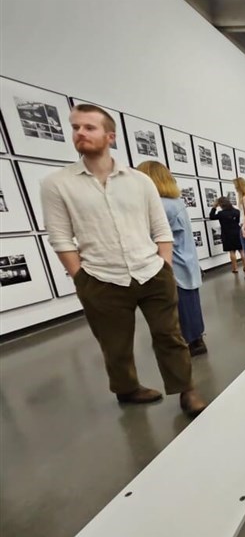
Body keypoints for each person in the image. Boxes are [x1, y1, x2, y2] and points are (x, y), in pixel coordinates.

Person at [40, 103, 206, 417]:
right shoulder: (57, 184)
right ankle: (127, 388)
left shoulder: (139, 182)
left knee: (170, 335)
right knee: (114, 344)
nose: (80, 133)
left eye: (89, 127)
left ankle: (187, 390)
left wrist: (165, 267)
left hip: (151, 271)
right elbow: (61, 237)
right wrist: (81, 278)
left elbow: (161, 229)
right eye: (75, 127)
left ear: (110, 136)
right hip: (101, 277)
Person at [137, 161, 208, 357]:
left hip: (173, 264)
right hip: (186, 261)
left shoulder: (160, 205)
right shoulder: (176, 202)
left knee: (178, 308)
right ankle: (196, 340)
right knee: (191, 304)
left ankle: (188, 343)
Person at [209, 197, 245, 274]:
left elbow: (211, 216)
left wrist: (214, 207)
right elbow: (238, 221)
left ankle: (235, 268)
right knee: (241, 250)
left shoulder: (221, 214)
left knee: (232, 251)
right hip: (237, 232)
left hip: (227, 234)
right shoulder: (237, 212)